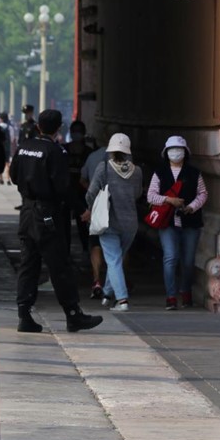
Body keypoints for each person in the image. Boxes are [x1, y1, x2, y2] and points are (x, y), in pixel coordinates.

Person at [10, 109, 104, 333]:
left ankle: (24, 314)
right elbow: (63, 187)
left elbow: (14, 176)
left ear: (38, 126)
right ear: (58, 128)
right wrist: (81, 209)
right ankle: (73, 314)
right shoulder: (56, 152)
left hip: (27, 212)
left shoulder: (23, 147)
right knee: (59, 265)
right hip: (48, 215)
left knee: (28, 264)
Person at [147, 136, 208, 310]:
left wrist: (191, 207)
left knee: (188, 261)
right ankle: (171, 296)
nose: (175, 153)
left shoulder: (194, 173)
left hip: (191, 222)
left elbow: (203, 194)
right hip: (167, 223)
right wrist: (169, 200)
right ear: (166, 153)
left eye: (179, 149)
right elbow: (151, 196)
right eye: (172, 149)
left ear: (185, 152)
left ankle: (186, 290)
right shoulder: (159, 173)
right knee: (170, 257)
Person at [86, 133, 143, 311]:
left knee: (113, 260)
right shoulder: (137, 171)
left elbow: (91, 193)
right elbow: (138, 194)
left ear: (110, 150)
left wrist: (92, 208)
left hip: (108, 222)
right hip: (130, 224)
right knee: (115, 260)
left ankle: (122, 300)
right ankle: (107, 294)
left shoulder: (103, 168)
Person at [80, 142, 109, 298]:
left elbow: (83, 181)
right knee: (119, 249)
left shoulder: (93, 157)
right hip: (121, 213)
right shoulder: (132, 166)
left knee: (96, 244)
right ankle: (117, 283)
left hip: (97, 210)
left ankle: (97, 280)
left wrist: (92, 206)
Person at [66, 120, 94, 253]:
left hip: (82, 192)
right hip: (65, 192)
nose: (76, 134)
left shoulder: (89, 153)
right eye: (74, 131)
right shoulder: (63, 150)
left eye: (79, 131)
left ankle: (85, 248)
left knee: (83, 223)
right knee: (63, 224)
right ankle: (65, 251)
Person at [0, 112, 16, 186]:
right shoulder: (10, 127)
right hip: (7, 147)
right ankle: (8, 179)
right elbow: (12, 138)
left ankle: (0, 178)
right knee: (7, 163)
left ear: (1, 119)